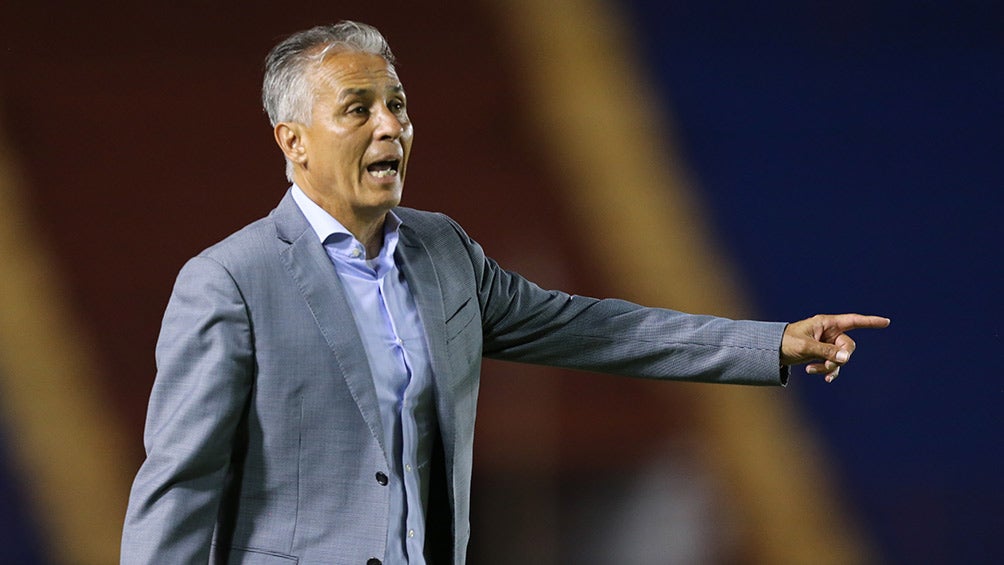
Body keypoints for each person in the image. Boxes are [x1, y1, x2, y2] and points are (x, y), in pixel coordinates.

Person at [120, 21, 890, 565]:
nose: (390, 127)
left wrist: (772, 342)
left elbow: (598, 330)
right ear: (293, 140)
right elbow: (178, 487)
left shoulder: (443, 252)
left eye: (397, 104)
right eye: (358, 109)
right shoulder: (230, 281)